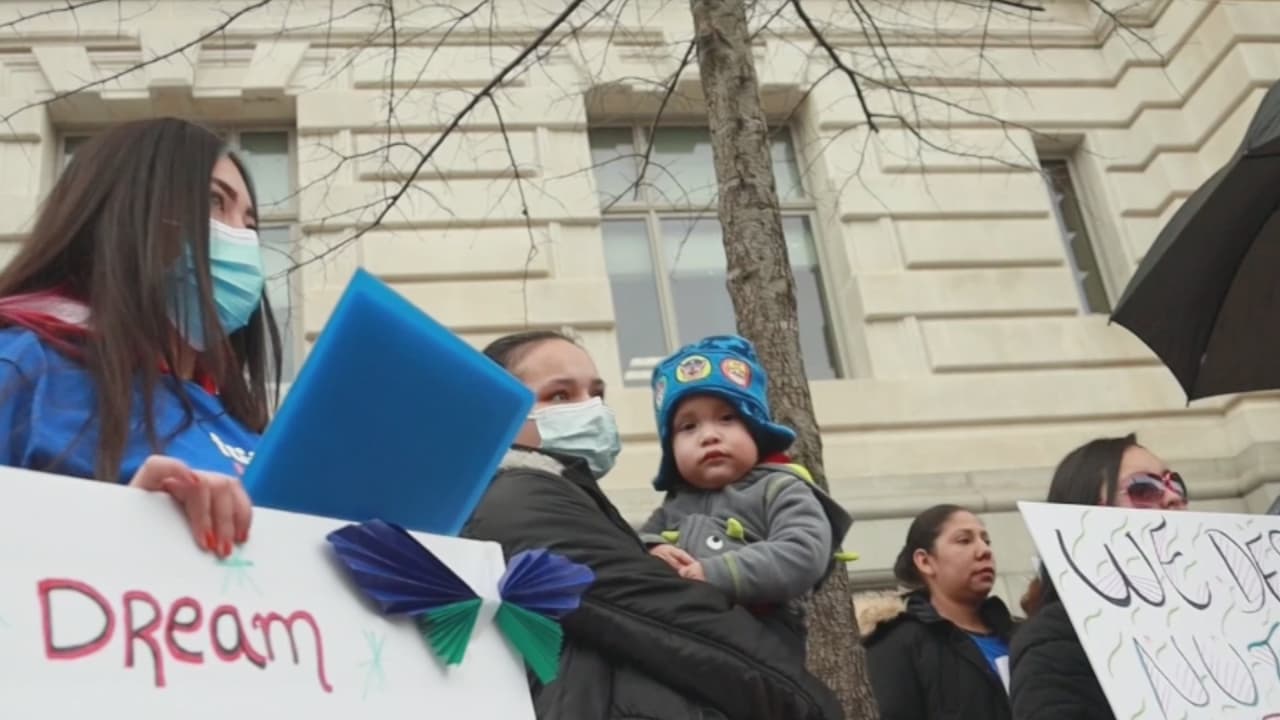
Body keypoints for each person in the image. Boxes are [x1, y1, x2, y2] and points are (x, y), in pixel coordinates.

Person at [463, 330, 843, 720]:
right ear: (500, 410)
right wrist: (807, 702)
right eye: (560, 395)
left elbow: (803, 550)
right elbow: (664, 614)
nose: (590, 409)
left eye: (597, 394)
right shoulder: (522, 497)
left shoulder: (777, 488)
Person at [0, 118, 279, 557]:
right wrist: (124, 538)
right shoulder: (21, 368)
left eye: (251, 223)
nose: (242, 238)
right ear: (123, 209)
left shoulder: (246, 427)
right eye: (213, 202)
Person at [638, 335, 851, 653]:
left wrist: (715, 573)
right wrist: (653, 550)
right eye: (688, 427)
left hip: (763, 637)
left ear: (756, 430)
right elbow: (632, 551)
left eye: (727, 418)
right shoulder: (673, 507)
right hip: (683, 639)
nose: (709, 436)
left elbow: (804, 552)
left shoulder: (779, 488)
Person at [1009, 434, 1187, 720]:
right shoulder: (1055, 641)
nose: (1173, 497)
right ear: (1088, 514)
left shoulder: (1222, 616)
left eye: (1175, 483)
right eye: (1144, 488)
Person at [863, 503, 1015, 720]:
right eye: (964, 540)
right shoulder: (897, 642)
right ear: (925, 561)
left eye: (986, 541)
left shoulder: (1020, 635)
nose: (984, 551)